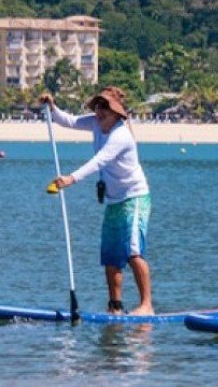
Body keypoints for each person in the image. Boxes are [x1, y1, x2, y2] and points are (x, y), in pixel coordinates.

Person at [41, 87, 154, 316]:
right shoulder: (95, 122)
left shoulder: (121, 135)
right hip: (114, 201)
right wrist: (52, 108)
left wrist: (71, 179)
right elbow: (70, 121)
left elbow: (99, 161)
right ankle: (115, 306)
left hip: (134, 197)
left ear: (117, 113)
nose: (100, 112)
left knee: (132, 252)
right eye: (98, 106)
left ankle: (146, 305)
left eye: (106, 108)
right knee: (111, 256)